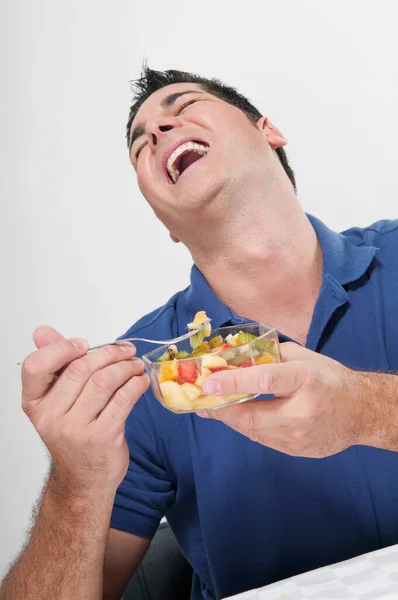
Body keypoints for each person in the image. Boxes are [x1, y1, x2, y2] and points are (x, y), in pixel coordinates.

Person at [1, 66, 398, 600]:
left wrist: (366, 410)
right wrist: (77, 483)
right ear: (165, 221)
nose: (157, 133)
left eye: (182, 105)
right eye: (140, 144)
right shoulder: (138, 382)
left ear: (268, 131)